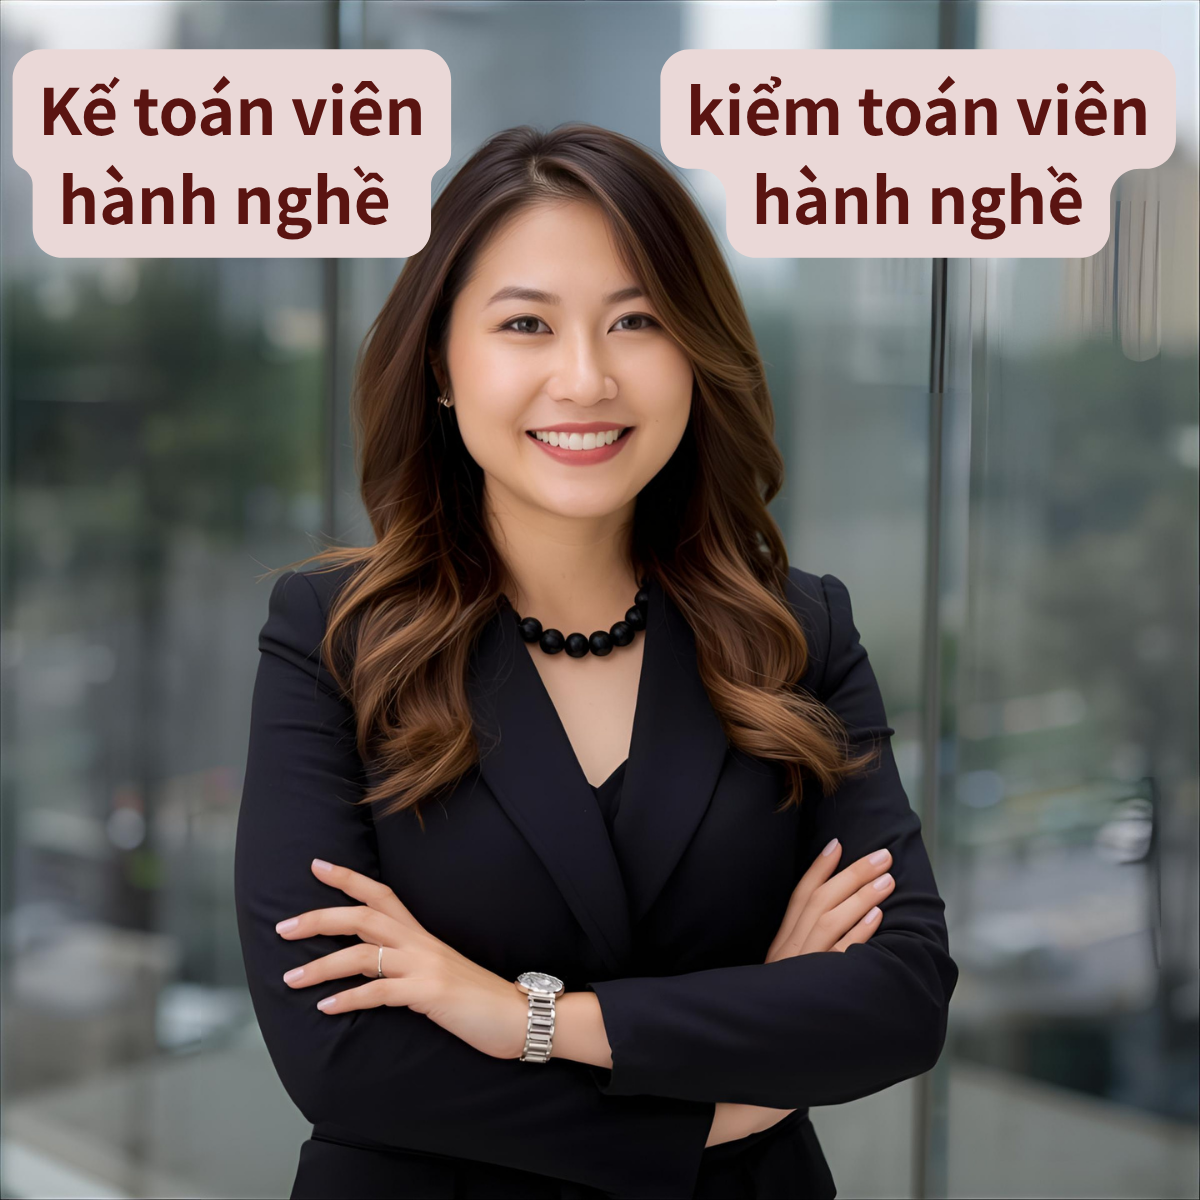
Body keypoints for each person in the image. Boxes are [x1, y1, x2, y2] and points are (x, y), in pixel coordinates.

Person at [234, 123, 957, 1200]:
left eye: (638, 321)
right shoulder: (333, 636)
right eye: (525, 323)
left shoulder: (797, 633)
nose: (585, 376)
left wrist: (524, 1017)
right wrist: (732, 1090)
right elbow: (341, 1062)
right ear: (439, 361)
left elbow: (897, 998)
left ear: (695, 352)